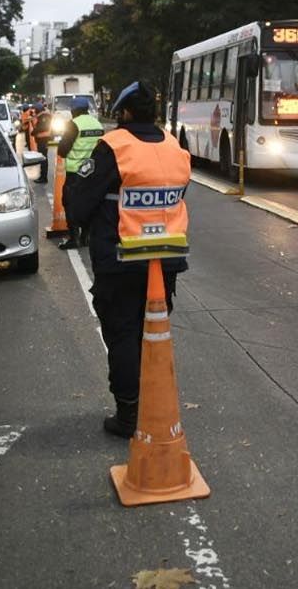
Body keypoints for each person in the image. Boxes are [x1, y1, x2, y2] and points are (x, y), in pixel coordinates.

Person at [65, 80, 190, 438]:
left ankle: (129, 415)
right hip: (165, 260)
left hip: (121, 259)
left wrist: (84, 225)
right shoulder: (173, 145)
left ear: (126, 112)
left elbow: (79, 203)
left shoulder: (114, 146)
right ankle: (156, 405)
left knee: (122, 334)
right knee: (153, 335)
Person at [56, 96, 104, 250]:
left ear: (74, 110)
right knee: (90, 203)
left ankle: (74, 238)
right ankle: (86, 236)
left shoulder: (74, 124)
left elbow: (63, 150)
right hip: (93, 172)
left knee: (70, 203)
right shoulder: (97, 124)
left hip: (76, 172)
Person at [32, 102, 53, 182]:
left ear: (38, 109)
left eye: (35, 110)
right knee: (42, 158)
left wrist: (34, 132)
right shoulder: (42, 116)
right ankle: (42, 176)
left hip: (43, 139)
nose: (34, 111)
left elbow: (43, 127)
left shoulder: (44, 116)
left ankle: (43, 177)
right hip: (42, 139)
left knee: (43, 159)